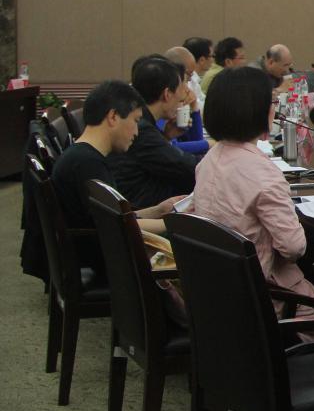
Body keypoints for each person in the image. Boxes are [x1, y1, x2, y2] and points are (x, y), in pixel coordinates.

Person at [192, 66, 314, 330]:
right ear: (259, 111)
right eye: (272, 103)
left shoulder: (208, 161)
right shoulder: (263, 174)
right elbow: (294, 247)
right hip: (264, 302)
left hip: (217, 295)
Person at [51, 80, 183, 276]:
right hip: (108, 263)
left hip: (101, 251)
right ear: (113, 117)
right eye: (135, 121)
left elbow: (118, 217)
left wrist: (158, 210)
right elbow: (118, 226)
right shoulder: (88, 164)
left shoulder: (82, 156)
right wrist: (174, 224)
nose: (136, 132)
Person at [106, 55, 199, 209]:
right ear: (167, 94)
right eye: (181, 90)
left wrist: (166, 136)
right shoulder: (141, 128)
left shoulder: (142, 122)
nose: (183, 95)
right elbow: (186, 167)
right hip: (142, 210)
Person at [162, 46, 209, 155]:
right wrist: (207, 144)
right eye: (188, 77)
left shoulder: (179, 103)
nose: (188, 85)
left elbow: (195, 140)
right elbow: (170, 148)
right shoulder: (161, 110)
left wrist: (194, 108)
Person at [182, 36, 213, 108]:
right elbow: (201, 107)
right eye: (212, 56)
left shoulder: (195, 79)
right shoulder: (187, 81)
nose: (213, 60)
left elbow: (204, 100)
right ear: (202, 60)